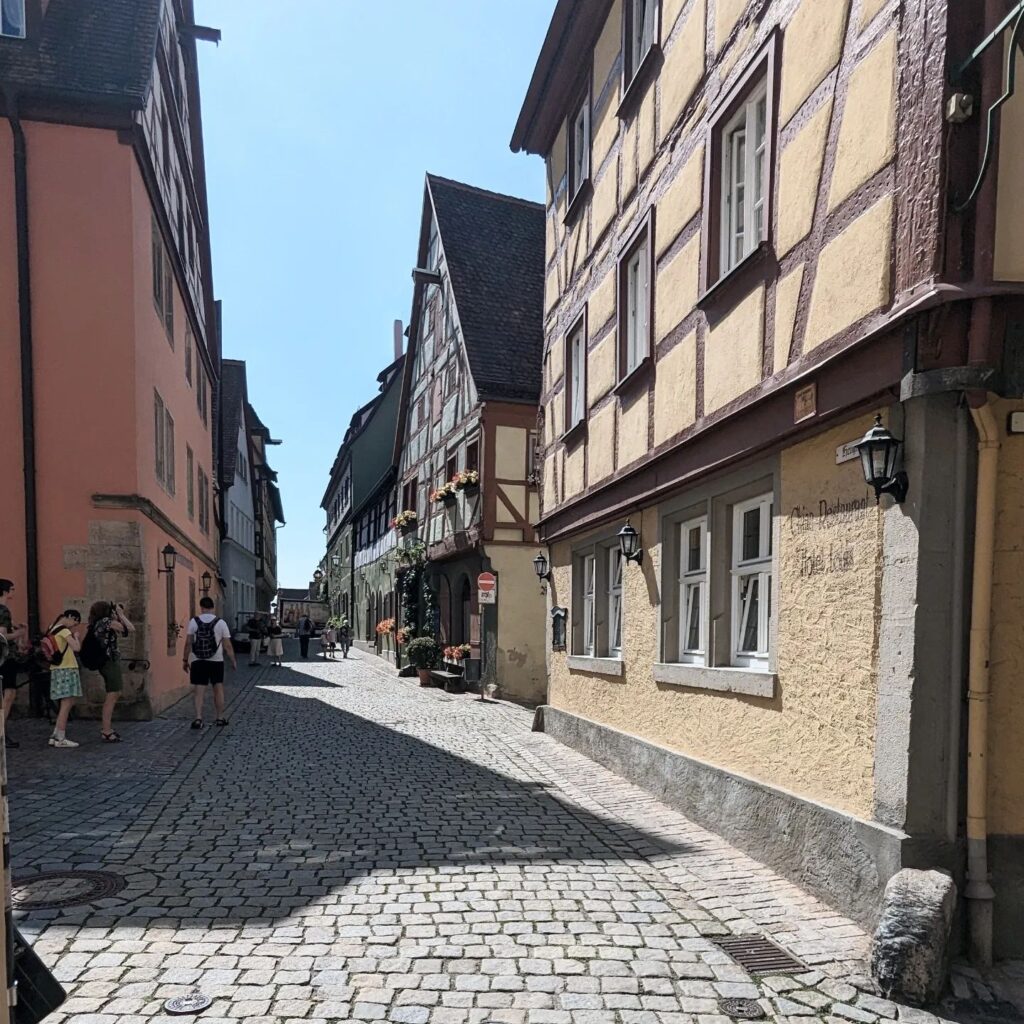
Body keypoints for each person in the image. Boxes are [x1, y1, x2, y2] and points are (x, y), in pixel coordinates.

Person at [182, 596, 235, 729]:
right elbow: (227, 645)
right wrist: (233, 660)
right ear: (212, 607)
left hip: (198, 660)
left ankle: (198, 718)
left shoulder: (194, 621)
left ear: (202, 607)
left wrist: (185, 660)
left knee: (199, 690)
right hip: (216, 660)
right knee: (218, 688)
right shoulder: (221, 623)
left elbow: (188, 643)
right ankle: (220, 718)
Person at [86, 601, 134, 743]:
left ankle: (107, 728)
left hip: (108, 662)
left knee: (115, 692)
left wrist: (118, 616)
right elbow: (130, 628)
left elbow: (125, 631)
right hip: (108, 662)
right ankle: (106, 730)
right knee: (113, 693)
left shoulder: (100, 623)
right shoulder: (105, 622)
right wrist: (120, 614)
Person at [47, 609, 82, 748]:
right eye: (75, 622)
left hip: (56, 668)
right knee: (67, 703)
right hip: (67, 668)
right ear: (70, 617)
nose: (73, 626)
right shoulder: (64, 631)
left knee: (64, 702)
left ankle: (55, 735)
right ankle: (60, 737)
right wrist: (76, 637)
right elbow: (76, 648)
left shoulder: (51, 628)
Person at [0, 578, 28, 748]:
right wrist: (20, 633)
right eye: (12, 589)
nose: (13, 593)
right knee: (9, 693)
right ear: (5, 592)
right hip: (5, 657)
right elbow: (2, 635)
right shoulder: (3, 610)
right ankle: (1, 732)